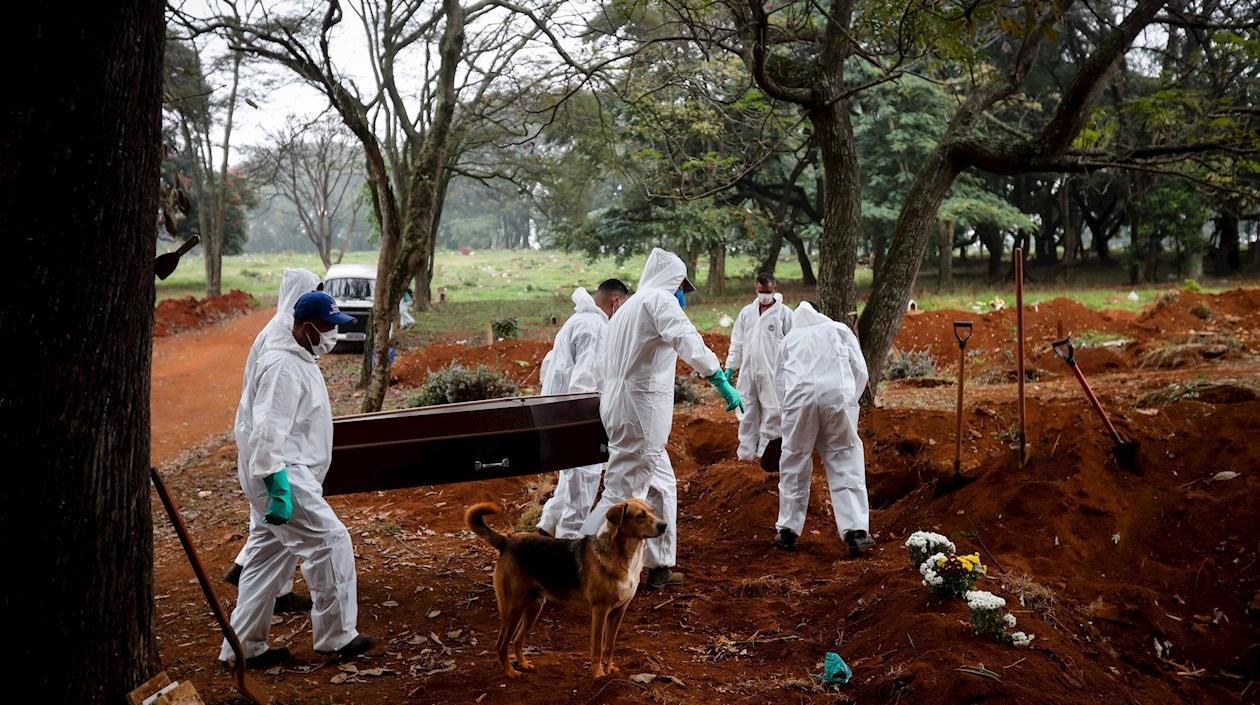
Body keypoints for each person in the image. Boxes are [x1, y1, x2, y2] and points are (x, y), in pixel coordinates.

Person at [219, 291, 374, 667]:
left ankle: (242, 649)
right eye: (326, 327)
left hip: (286, 473)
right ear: (305, 327)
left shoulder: (300, 357)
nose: (332, 334)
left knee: (264, 561)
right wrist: (278, 487)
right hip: (284, 474)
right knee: (330, 541)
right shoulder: (283, 367)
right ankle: (337, 637)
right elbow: (268, 430)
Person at [580, 248, 742, 590]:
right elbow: (686, 339)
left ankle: (660, 566)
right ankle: (577, 568)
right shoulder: (659, 299)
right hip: (641, 409)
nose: (683, 295)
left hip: (619, 405)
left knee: (662, 485)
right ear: (674, 280)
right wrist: (718, 377)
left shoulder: (629, 308)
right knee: (622, 492)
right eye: (683, 287)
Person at [224, 268, 322, 614]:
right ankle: (256, 576)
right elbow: (272, 410)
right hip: (270, 448)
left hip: (269, 446)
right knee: (292, 528)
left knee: (269, 529)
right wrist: (273, 464)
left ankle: (262, 590)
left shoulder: (283, 329)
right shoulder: (280, 337)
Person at [772, 301, 873, 556]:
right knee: (845, 457)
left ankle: (787, 531)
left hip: (799, 401)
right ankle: (856, 533)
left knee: (795, 460)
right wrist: (849, 400)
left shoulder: (789, 339)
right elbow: (860, 370)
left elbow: (780, 380)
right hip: (836, 398)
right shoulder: (838, 330)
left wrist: (790, 412)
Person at [536, 279, 630, 538]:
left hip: (558, 411)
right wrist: (591, 423)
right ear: (616, 302)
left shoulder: (577, 321)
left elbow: (549, 367)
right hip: (577, 415)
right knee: (582, 482)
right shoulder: (596, 328)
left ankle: (547, 525)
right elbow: (584, 382)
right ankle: (568, 544)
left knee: (570, 478)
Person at [724, 273, 792, 461]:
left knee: (772, 413)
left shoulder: (784, 314)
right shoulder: (747, 313)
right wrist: (731, 367)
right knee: (746, 411)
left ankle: (764, 455)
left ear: (775, 289)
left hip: (773, 374)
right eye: (761, 292)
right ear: (756, 290)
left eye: (768, 292)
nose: (764, 296)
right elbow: (737, 342)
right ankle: (745, 454)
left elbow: (794, 344)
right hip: (748, 371)